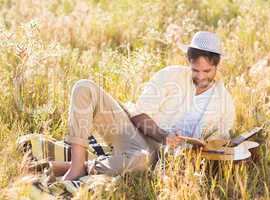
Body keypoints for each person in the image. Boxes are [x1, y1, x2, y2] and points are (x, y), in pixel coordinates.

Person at [54, 31, 235, 181]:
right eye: (196, 70)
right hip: (135, 133)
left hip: (160, 158)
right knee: (84, 87)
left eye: (207, 71)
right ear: (189, 62)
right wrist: (163, 136)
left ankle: (74, 167)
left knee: (141, 159)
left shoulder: (224, 102)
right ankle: (76, 166)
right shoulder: (170, 76)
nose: (201, 76)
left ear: (216, 65)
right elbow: (138, 115)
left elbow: (220, 140)